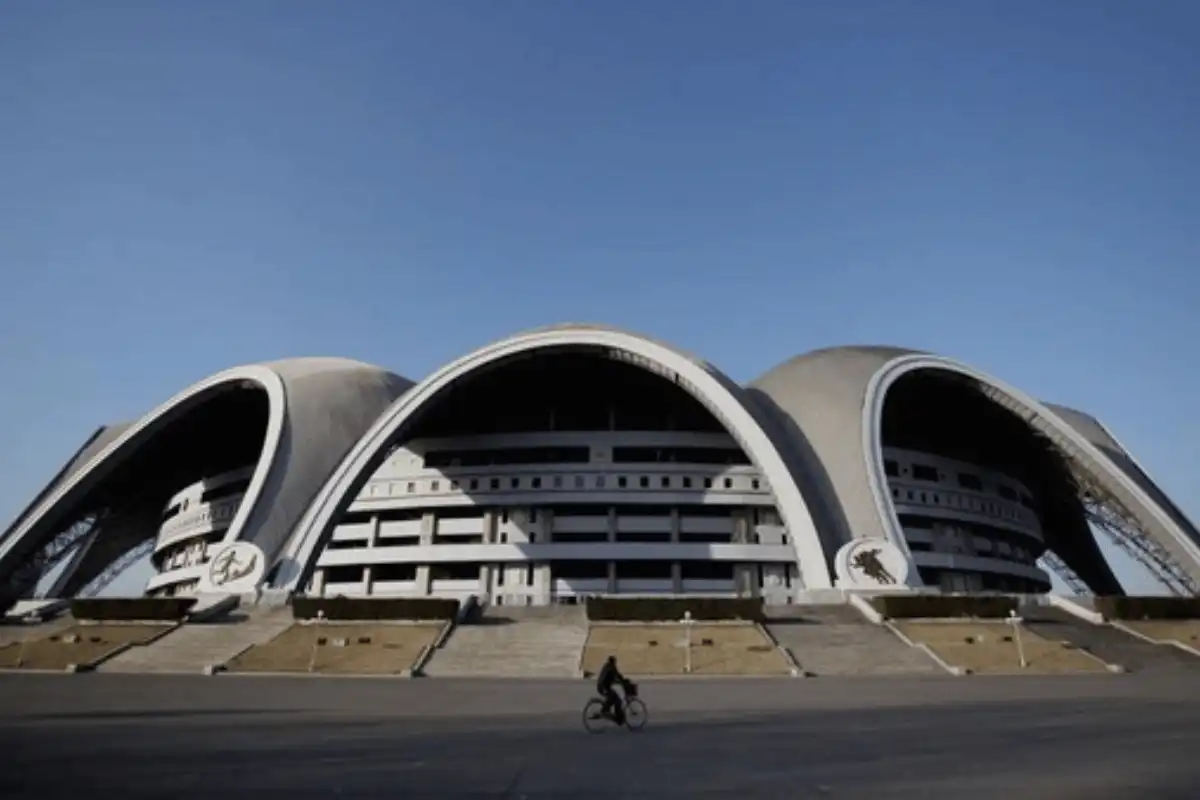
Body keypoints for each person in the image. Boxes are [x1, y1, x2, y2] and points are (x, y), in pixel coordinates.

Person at [595, 655, 627, 724]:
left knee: (615, 698)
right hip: (603, 687)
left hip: (604, 686)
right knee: (615, 698)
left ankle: (614, 715)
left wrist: (620, 681)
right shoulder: (611, 668)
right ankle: (605, 711)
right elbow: (618, 675)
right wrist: (624, 681)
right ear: (613, 662)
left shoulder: (607, 666)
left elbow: (613, 678)